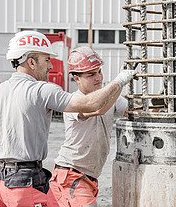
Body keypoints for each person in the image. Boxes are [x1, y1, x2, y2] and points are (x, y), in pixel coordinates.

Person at [0, 31, 135, 207]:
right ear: (32, 62)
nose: (51, 66)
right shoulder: (43, 90)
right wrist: (119, 82)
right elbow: (91, 104)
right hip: (24, 183)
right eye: (47, 60)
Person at [49, 46, 127, 207]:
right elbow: (97, 108)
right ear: (76, 78)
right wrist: (118, 83)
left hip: (89, 177)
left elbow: (132, 109)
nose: (98, 77)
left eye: (99, 71)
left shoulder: (110, 98)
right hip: (70, 173)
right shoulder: (72, 101)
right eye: (91, 74)